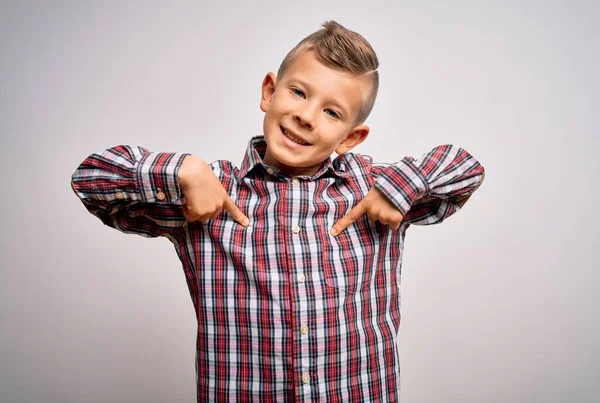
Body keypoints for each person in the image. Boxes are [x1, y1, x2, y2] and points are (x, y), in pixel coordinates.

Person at [71, 20, 485, 403]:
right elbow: (90, 179)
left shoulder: (374, 190)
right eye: (299, 92)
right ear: (270, 91)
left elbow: (465, 167)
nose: (306, 116)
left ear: (351, 137)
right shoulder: (207, 192)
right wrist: (181, 170)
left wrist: (401, 187)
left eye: (332, 112)